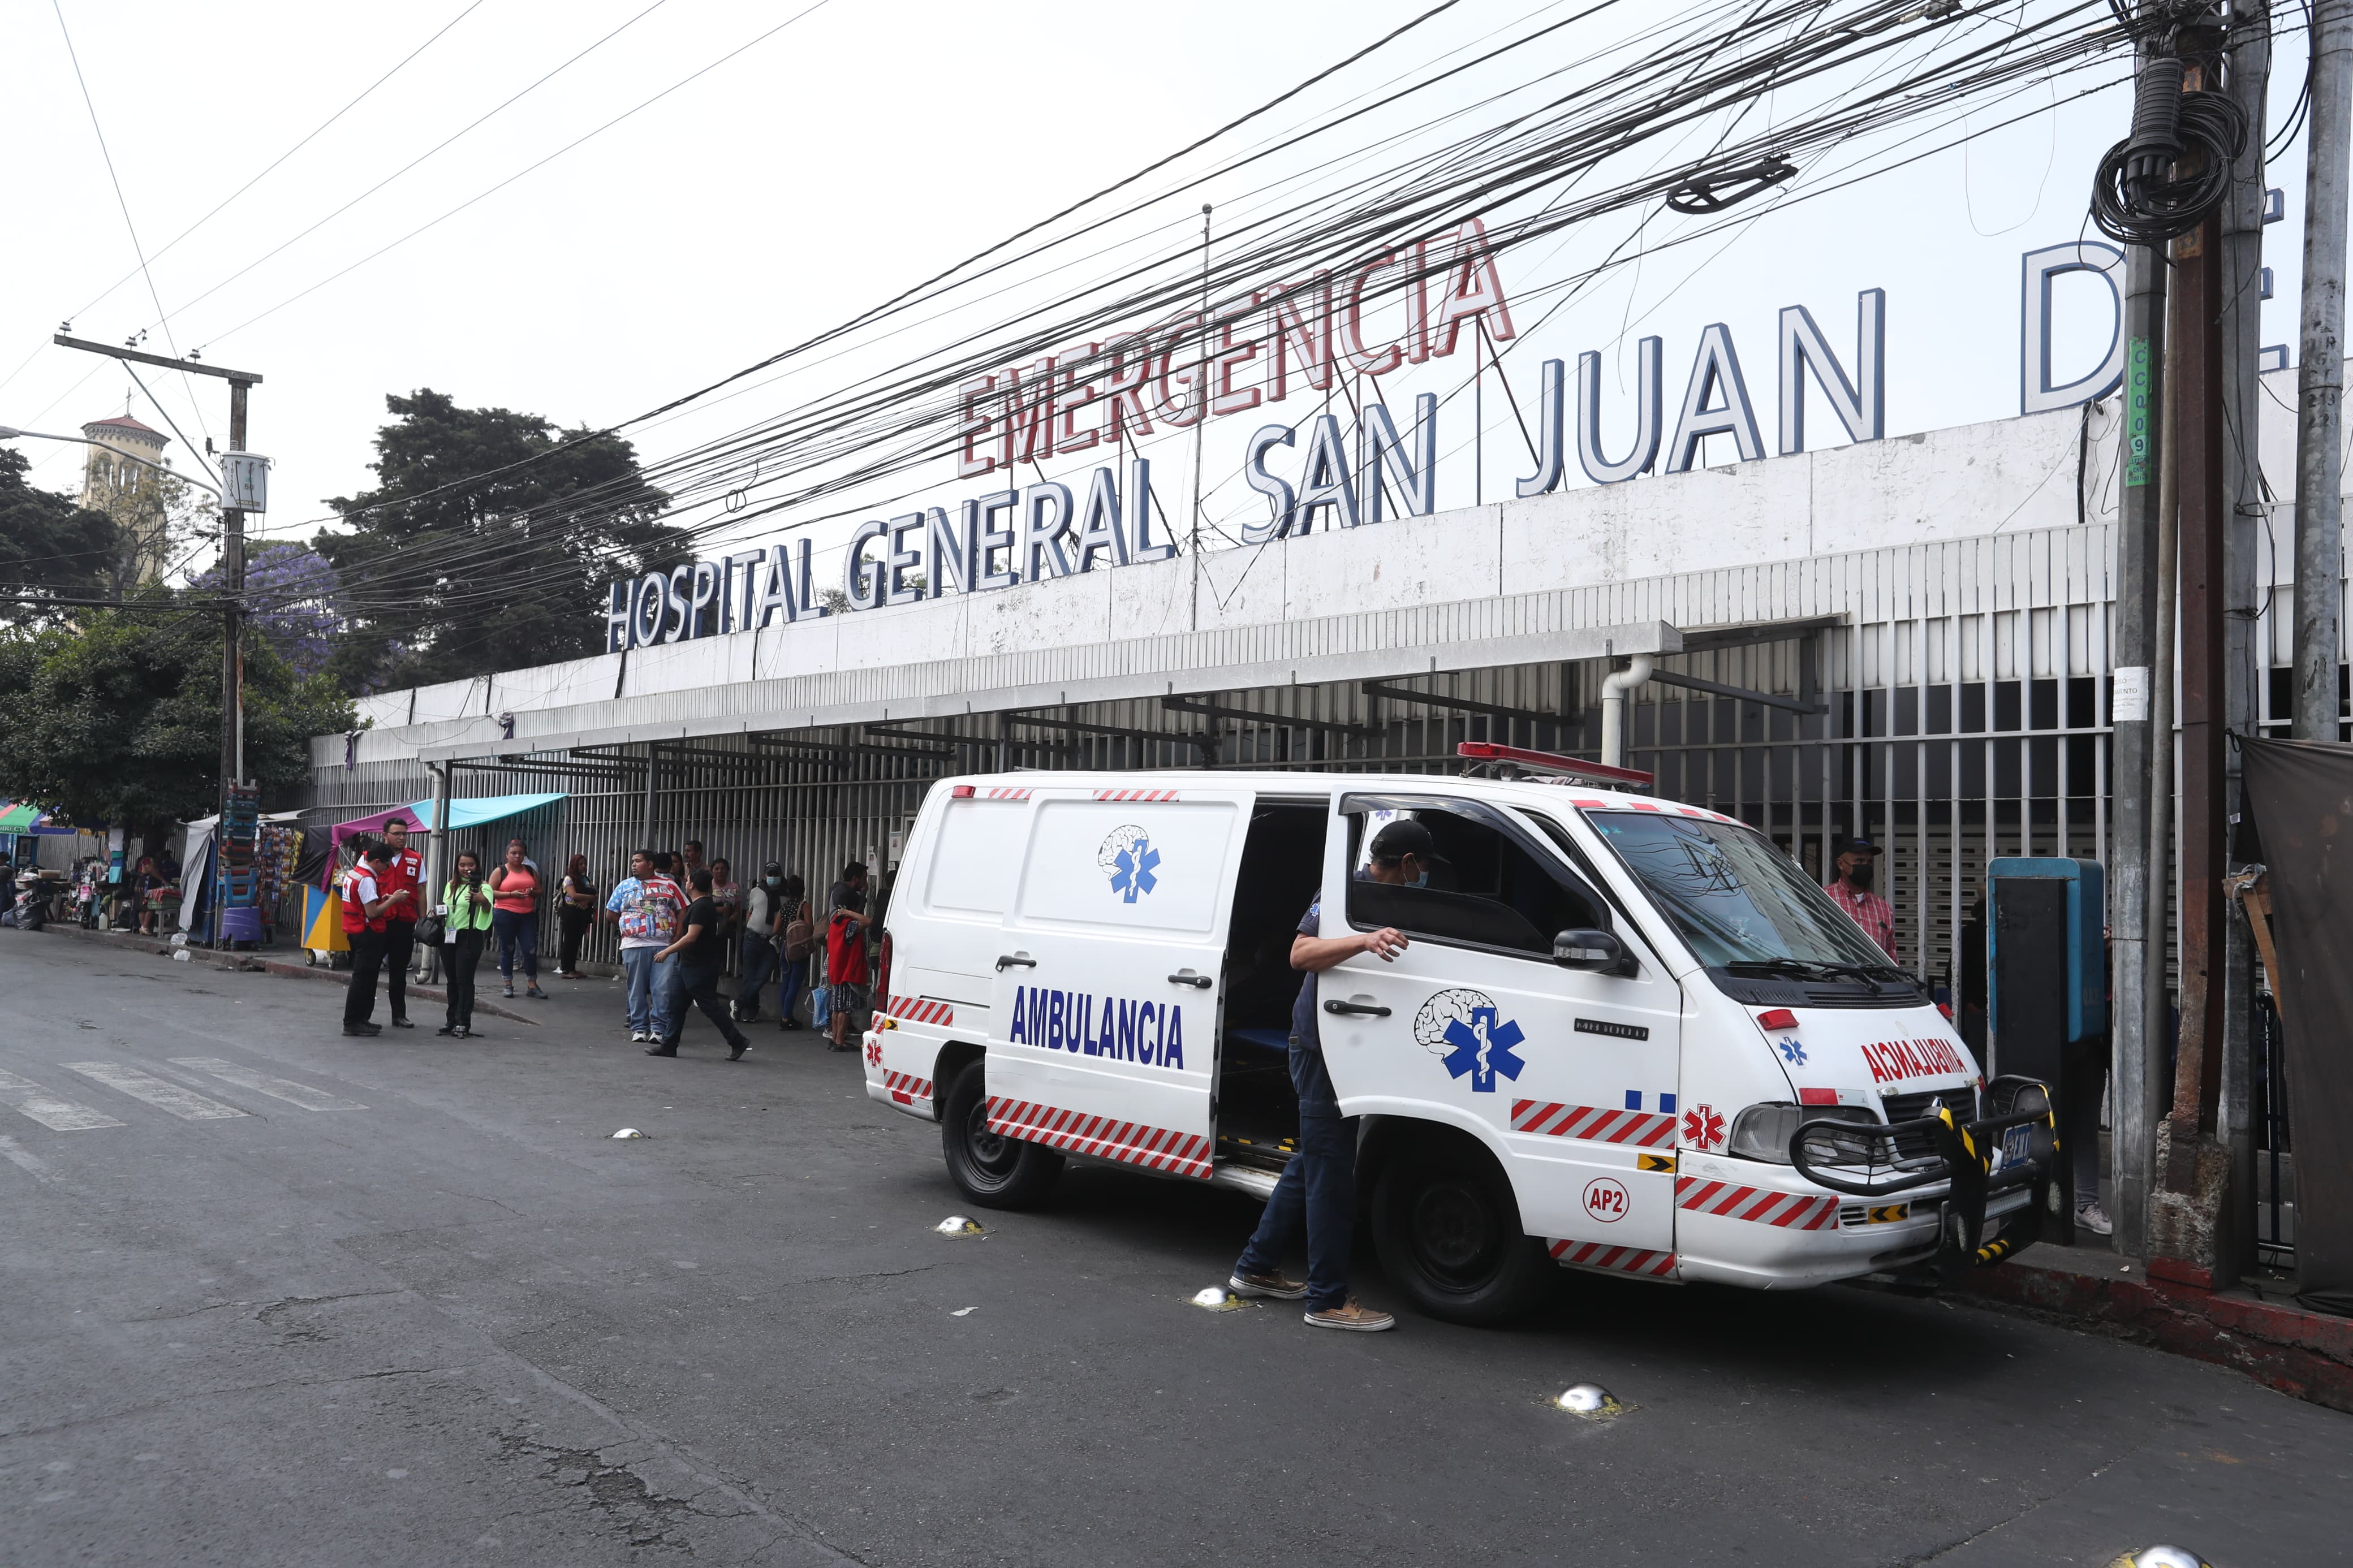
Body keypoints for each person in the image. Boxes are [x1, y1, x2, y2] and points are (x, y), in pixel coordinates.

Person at [1228, 818, 1431, 1333]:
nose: (1423, 877)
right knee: (1331, 1172)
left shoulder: (1394, 901)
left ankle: (1255, 1267)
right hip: (1319, 1045)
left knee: (1312, 1160)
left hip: (1350, 1045)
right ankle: (1327, 1299)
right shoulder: (1342, 893)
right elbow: (1301, 954)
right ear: (1406, 863)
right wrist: (1363, 942)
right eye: (1422, 867)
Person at [647, 868, 752, 1060]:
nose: (686, 883)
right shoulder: (700, 905)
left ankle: (737, 1040)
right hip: (688, 964)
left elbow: (691, 937)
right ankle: (669, 1045)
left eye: (687, 880)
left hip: (699, 966)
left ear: (692, 885)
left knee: (709, 1006)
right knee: (676, 1005)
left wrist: (666, 952)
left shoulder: (702, 907)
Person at [604, 848, 685, 1043]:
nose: (633, 864)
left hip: (664, 945)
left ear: (650, 864)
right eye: (632, 861)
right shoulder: (624, 886)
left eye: (638, 861)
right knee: (637, 988)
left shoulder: (669, 885)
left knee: (662, 989)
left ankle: (658, 1029)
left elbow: (683, 909)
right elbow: (611, 913)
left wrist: (678, 935)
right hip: (634, 945)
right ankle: (639, 1028)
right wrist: (630, 926)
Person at [339, 840, 406, 1037]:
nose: (387, 869)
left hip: (355, 930)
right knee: (364, 978)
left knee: (364, 977)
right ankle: (354, 1021)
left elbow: (363, 903)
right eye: (386, 865)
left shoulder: (354, 874)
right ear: (377, 861)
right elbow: (373, 912)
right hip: (367, 932)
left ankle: (360, 1019)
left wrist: (382, 898)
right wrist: (393, 900)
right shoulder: (367, 879)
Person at [437, 849, 495, 1038]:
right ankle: (451, 1019)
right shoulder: (451, 885)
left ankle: (463, 1022)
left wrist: (482, 900)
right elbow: (448, 906)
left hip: (470, 936)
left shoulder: (483, 886)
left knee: (464, 980)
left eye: (471, 865)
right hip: (449, 936)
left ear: (477, 865)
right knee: (452, 980)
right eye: (462, 865)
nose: (466, 869)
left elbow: (488, 909)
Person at [376, 814, 425, 1029]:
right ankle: (362, 1016)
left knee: (399, 973)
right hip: (378, 920)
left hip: (404, 922)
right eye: (397, 834)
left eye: (405, 834)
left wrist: (423, 921)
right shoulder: (371, 857)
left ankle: (399, 1015)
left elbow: (421, 892)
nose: (402, 838)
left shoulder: (416, 858)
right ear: (385, 835)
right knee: (369, 969)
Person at [824, 862, 875, 1052]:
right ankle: (840, 1041)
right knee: (844, 1008)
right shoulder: (848, 924)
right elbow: (869, 922)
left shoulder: (835, 924)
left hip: (837, 972)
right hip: (847, 972)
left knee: (837, 1007)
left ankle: (835, 1039)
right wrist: (849, 912)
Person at [488, 838, 548, 1000]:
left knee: (530, 949)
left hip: (527, 914)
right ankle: (508, 985)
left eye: (521, 854)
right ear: (507, 855)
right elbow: (490, 891)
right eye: (514, 853)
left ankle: (532, 985)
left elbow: (540, 890)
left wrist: (532, 892)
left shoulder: (529, 870)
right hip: (505, 913)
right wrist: (511, 894)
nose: (517, 856)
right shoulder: (501, 871)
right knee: (508, 948)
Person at [1825, 837, 1895, 957]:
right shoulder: (1824, 899)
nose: (1865, 866)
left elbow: (1891, 955)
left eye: (1869, 862)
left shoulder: (1884, 908)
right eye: (1859, 861)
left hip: (1873, 976)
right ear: (1841, 864)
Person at [735, 862, 787, 1023]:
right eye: (770, 874)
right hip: (753, 937)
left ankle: (739, 1003)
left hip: (771, 942)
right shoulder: (756, 892)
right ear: (765, 876)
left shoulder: (785, 895)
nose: (773, 877)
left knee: (763, 976)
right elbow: (749, 912)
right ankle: (750, 1011)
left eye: (775, 874)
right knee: (749, 977)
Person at [775, 871, 813, 1030]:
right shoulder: (804, 906)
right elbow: (810, 927)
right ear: (803, 890)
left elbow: (775, 928)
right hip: (799, 949)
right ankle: (786, 1019)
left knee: (786, 983)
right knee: (795, 984)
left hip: (785, 948)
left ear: (788, 892)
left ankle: (786, 1015)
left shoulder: (784, 907)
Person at [556, 854, 597, 979]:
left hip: (583, 912)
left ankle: (573, 968)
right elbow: (574, 895)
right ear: (574, 865)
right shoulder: (568, 879)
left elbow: (594, 893)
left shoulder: (586, 879)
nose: (583, 866)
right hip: (570, 912)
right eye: (580, 864)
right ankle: (566, 969)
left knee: (577, 941)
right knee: (569, 940)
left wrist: (588, 901)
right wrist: (591, 898)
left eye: (585, 864)